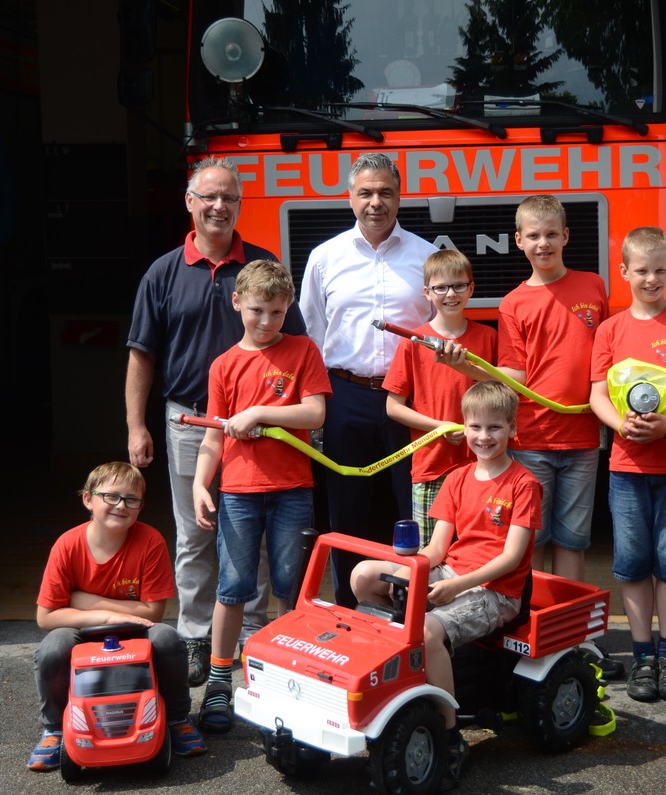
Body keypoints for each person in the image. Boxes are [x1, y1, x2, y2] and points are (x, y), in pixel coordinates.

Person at [127, 156, 304, 686]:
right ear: (190, 202)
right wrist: (137, 426)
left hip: (261, 428)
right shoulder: (162, 272)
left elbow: (292, 345)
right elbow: (141, 355)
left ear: (239, 205)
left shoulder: (263, 267)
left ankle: (250, 637)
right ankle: (197, 637)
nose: (219, 207)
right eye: (209, 197)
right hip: (190, 421)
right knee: (196, 534)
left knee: (261, 532)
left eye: (229, 198)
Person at [351, 380, 540, 789]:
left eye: (494, 428)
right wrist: (408, 571)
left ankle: (449, 734)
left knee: (427, 629)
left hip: (496, 592)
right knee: (363, 575)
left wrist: (456, 587)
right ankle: (399, 673)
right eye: (475, 427)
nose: (483, 437)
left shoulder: (523, 484)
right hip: (453, 573)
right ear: (464, 428)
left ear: (512, 428)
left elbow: (510, 558)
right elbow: (437, 548)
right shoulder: (456, 478)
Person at [191, 260, 330, 733]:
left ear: (288, 305)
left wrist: (255, 413)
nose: (267, 321)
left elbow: (315, 414)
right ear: (237, 303)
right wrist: (198, 484)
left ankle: (288, 674)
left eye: (275, 311)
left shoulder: (303, 350)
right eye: (256, 310)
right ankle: (219, 680)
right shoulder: (224, 365)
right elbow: (212, 437)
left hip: (293, 491)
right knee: (232, 589)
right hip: (238, 493)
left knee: (292, 589)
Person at [300, 152, 436, 607]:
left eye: (385, 193)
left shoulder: (427, 257)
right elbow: (312, 336)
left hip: (410, 399)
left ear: (400, 198)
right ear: (350, 197)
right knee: (346, 509)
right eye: (366, 192)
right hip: (346, 396)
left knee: (413, 510)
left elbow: (441, 332)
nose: (375, 202)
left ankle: (410, 609)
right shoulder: (324, 258)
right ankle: (346, 607)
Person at [588, 227, 666, 703]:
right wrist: (620, 425)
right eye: (642, 270)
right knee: (634, 563)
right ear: (623, 272)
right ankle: (642, 656)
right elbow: (597, 394)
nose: (652, 278)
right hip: (627, 468)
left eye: (661, 270)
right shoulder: (611, 329)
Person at [28, 462, 207, 771]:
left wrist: (88, 602)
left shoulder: (150, 542)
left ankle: (178, 718)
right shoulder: (67, 545)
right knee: (53, 648)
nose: (121, 506)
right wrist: (105, 617)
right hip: (81, 630)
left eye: (131, 499)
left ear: (140, 506)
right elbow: (46, 617)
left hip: (134, 629)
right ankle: (54, 728)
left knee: (167, 638)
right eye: (111, 496)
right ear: (88, 499)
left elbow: (153, 612)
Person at [497, 194, 607, 585]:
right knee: (531, 539)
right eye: (533, 235)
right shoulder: (513, 303)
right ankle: (529, 626)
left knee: (573, 541)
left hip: (582, 438)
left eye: (549, 234)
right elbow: (515, 373)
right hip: (531, 437)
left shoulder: (594, 286)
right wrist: (470, 368)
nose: (542, 243)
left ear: (565, 236)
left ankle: (571, 635)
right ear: (518, 241)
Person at [383, 249, 498, 546]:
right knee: (430, 552)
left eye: (460, 285)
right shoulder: (413, 343)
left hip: (484, 464)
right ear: (427, 292)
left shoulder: (489, 338)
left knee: (479, 545)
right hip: (431, 465)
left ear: (471, 288)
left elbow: (504, 391)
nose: (451, 294)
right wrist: (440, 427)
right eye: (441, 287)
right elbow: (393, 407)